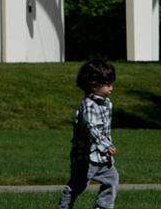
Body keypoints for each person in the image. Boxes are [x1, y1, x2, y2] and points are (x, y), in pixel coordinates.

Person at [57, 58, 119, 209]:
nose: (112, 87)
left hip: (102, 157)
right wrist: (106, 145)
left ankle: (102, 207)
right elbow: (92, 128)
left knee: (112, 180)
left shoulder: (106, 103)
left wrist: (106, 149)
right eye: (108, 83)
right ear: (94, 84)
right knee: (78, 185)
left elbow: (105, 129)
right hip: (86, 157)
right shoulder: (88, 105)